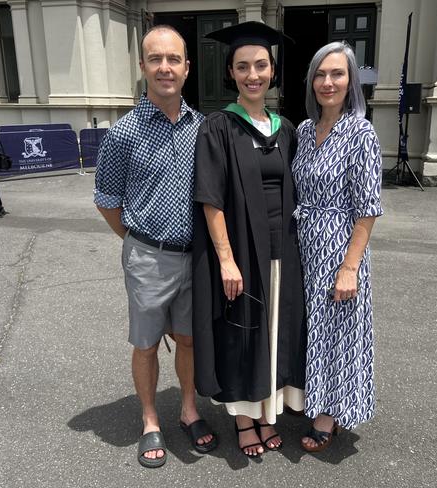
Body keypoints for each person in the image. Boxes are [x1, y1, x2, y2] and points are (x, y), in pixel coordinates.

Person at [94, 25, 216, 469]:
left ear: (186, 67)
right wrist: (137, 243)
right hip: (147, 254)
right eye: (155, 59)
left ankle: (188, 409)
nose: (165, 67)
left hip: (193, 256)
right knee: (146, 344)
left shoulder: (202, 128)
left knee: (187, 339)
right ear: (143, 66)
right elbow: (107, 202)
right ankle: (150, 421)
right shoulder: (123, 133)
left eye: (173, 59)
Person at [193, 21, 307, 457]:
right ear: (232, 72)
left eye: (261, 65)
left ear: (273, 71)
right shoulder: (219, 127)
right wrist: (226, 259)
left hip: (284, 252)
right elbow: (210, 198)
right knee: (244, 333)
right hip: (242, 252)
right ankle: (244, 420)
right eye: (243, 66)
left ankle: (267, 413)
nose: (252, 74)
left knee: (274, 332)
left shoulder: (287, 129)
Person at [291, 41, 383, 452]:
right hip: (303, 246)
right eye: (321, 74)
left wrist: (350, 267)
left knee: (337, 332)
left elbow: (367, 210)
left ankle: (330, 414)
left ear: (351, 82)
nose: (328, 82)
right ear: (311, 81)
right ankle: (313, 395)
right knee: (310, 329)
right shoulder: (303, 131)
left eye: (338, 74)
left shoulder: (361, 132)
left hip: (339, 248)